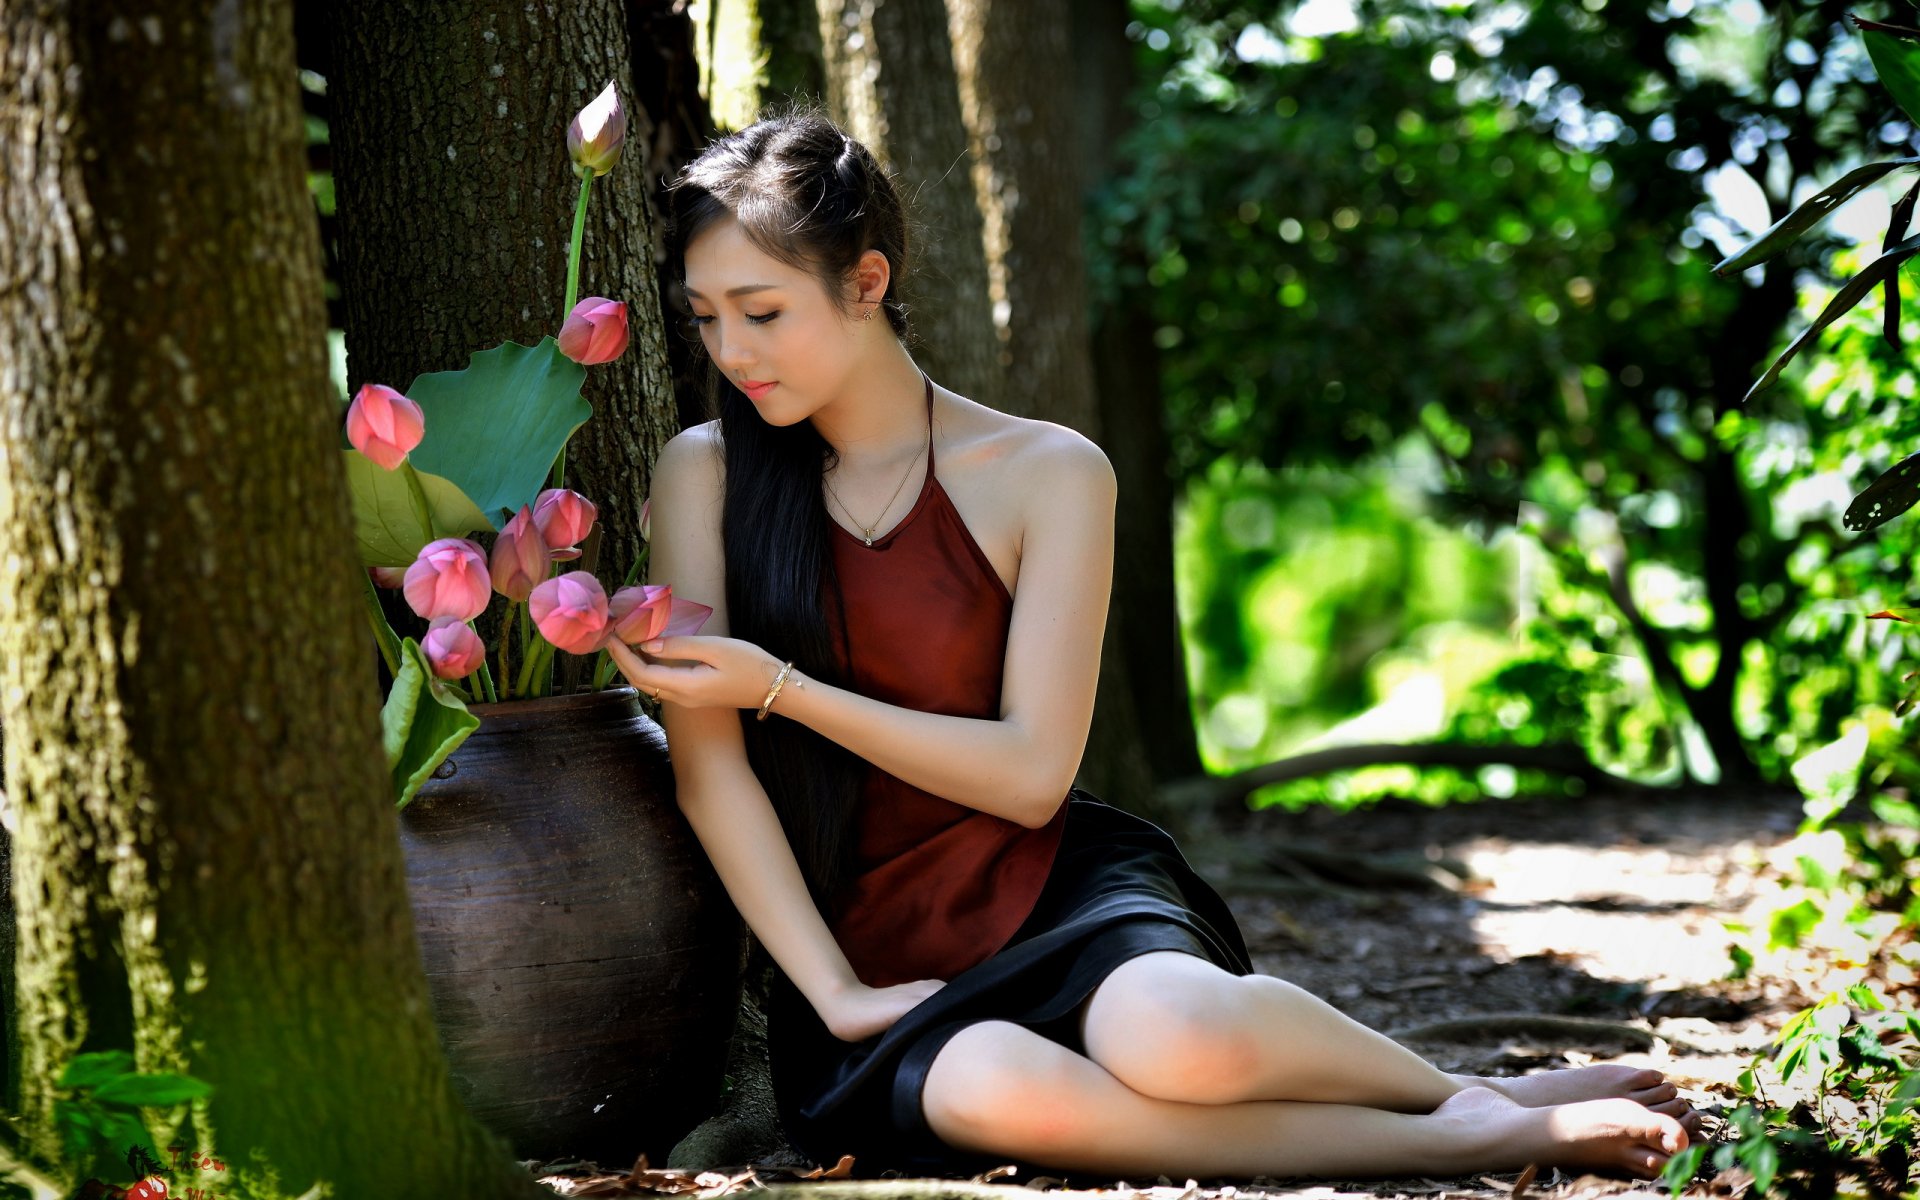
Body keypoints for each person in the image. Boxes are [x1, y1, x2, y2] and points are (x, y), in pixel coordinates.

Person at [605, 108, 1704, 1184]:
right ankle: (1471, 1132)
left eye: (761, 311)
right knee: (997, 1093)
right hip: (853, 953)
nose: (732, 351)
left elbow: (1034, 779)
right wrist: (836, 992)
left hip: (1049, 889)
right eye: (706, 318)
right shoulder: (705, 474)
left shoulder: (1050, 471)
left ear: (868, 283)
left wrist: (786, 689)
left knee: (1182, 1039)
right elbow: (711, 776)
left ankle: (1449, 1090)